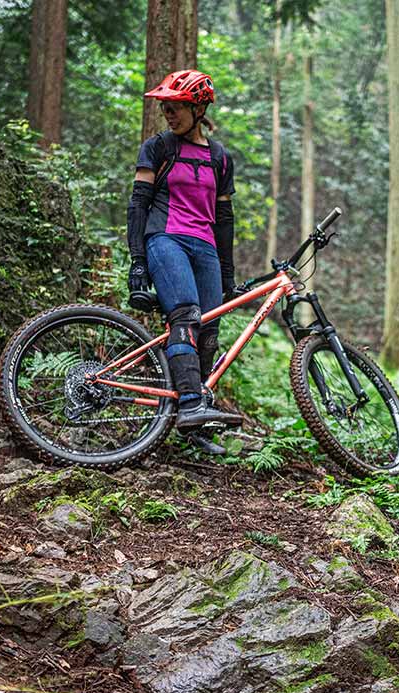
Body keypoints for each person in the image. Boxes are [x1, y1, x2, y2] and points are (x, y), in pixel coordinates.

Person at [126, 69, 241, 455]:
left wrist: (228, 273)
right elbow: (138, 204)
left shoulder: (220, 158)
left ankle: (194, 423)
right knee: (187, 319)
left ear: (198, 107)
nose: (168, 115)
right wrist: (138, 262)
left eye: (175, 108)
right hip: (165, 240)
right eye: (165, 108)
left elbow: (224, 220)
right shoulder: (158, 147)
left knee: (209, 335)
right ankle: (191, 404)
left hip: (206, 249)